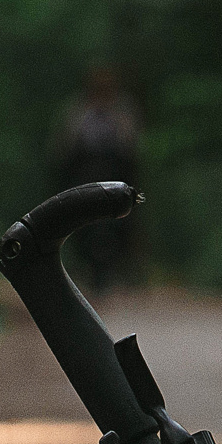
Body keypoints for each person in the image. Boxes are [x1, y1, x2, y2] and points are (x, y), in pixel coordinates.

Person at [53, 64, 141, 289]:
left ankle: (111, 268)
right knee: (83, 223)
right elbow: (63, 146)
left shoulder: (123, 109)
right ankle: (89, 267)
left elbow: (132, 145)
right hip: (84, 172)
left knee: (118, 224)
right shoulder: (79, 109)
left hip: (116, 172)